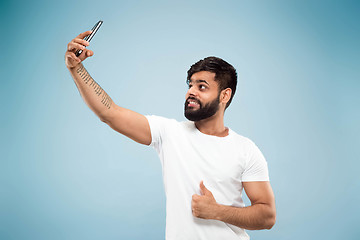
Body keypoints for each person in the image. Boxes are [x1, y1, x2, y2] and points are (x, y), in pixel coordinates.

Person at [65, 31, 276, 240]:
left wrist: (217, 211)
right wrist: (77, 69)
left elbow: (267, 215)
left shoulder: (245, 150)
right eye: (190, 85)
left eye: (202, 86)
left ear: (225, 95)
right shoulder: (169, 133)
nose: (191, 92)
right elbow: (109, 112)